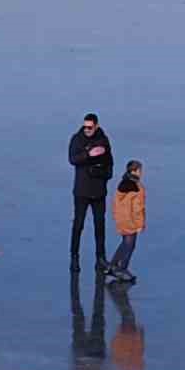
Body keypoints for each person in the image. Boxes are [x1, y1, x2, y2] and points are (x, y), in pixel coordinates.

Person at [67, 113, 114, 272]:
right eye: (85, 127)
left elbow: (110, 165)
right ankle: (74, 257)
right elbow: (72, 159)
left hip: (99, 191)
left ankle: (100, 258)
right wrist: (88, 154)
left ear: (96, 126)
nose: (87, 130)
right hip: (81, 191)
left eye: (90, 127)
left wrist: (103, 175)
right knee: (78, 224)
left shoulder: (103, 140)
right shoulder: (77, 139)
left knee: (99, 225)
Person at [108, 160, 145, 283]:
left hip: (121, 218)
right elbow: (137, 208)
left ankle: (112, 265)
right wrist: (140, 224)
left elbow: (116, 203)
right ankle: (122, 269)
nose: (141, 173)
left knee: (124, 243)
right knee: (130, 245)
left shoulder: (123, 183)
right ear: (133, 171)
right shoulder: (136, 188)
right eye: (140, 170)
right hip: (130, 220)